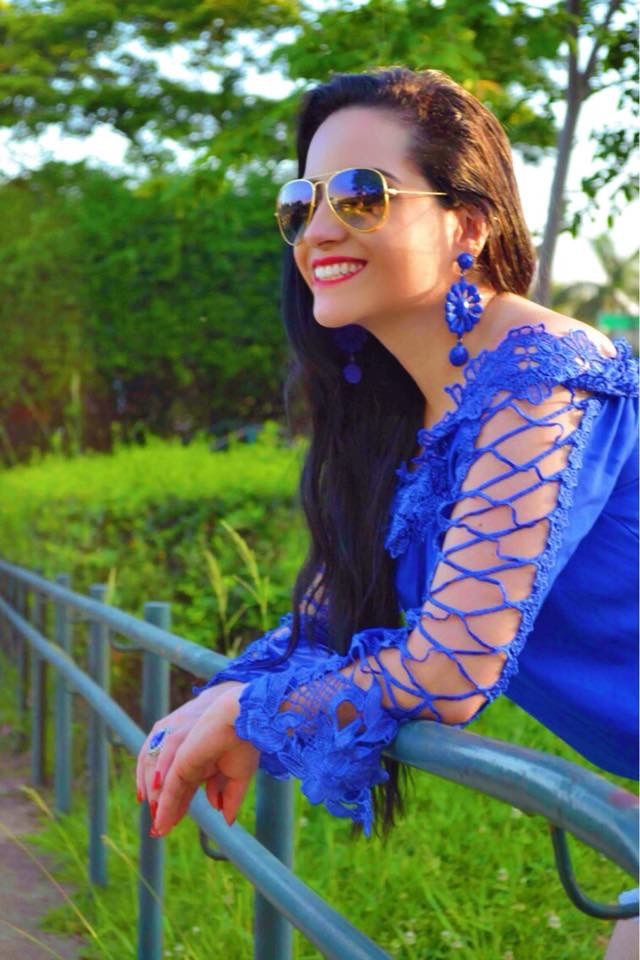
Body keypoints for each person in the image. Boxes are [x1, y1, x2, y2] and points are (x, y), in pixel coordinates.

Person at [136, 68, 638, 955]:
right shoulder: (405, 417)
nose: (319, 228)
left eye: (362, 195)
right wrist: (223, 698)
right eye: (300, 203)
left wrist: (253, 716)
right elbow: (330, 618)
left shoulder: (545, 374)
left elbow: (453, 663)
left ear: (468, 223)